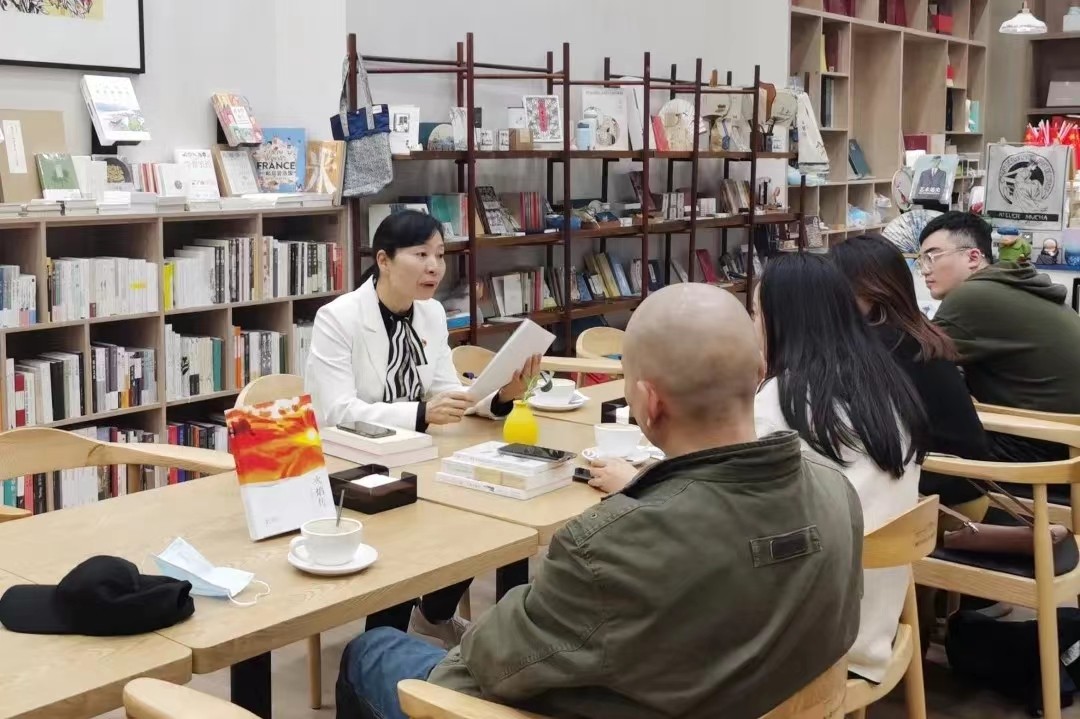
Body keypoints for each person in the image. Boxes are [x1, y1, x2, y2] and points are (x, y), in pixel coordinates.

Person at [336, 283, 865, 719]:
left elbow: (490, 661)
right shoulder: (833, 489)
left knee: (372, 651)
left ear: (648, 403)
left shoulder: (611, 545)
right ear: (758, 373)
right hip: (753, 698)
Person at [306, 210, 540, 647]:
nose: (435, 266)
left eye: (440, 255)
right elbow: (336, 411)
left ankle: (433, 615)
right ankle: (382, 647)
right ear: (384, 260)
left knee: (485, 512)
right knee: (417, 530)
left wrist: (502, 395)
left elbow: (447, 390)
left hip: (416, 455)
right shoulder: (337, 318)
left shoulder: (430, 313)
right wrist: (419, 414)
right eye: (421, 254)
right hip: (351, 462)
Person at [751, 252, 925, 684]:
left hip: (822, 640)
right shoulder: (884, 382)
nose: (751, 326)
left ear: (779, 321)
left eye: (755, 313)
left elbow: (742, 512)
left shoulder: (783, 400)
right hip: (876, 624)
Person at [832, 234, 990, 520]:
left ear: (867, 289)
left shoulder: (878, 347)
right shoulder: (916, 331)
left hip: (940, 496)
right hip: (969, 486)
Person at [918, 211, 1080, 463]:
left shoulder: (971, 296)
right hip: (1066, 439)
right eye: (921, 260)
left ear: (973, 257)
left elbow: (914, 363)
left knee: (898, 444)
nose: (924, 270)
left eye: (933, 257)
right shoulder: (1012, 283)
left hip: (1042, 447)